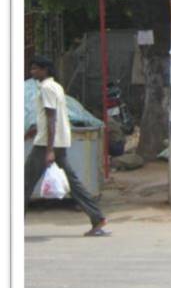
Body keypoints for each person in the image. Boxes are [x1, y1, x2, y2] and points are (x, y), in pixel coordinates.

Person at [24, 56, 110, 237]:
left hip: (46, 144)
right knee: (73, 182)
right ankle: (97, 218)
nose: (32, 72)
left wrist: (48, 150)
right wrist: (34, 130)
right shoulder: (56, 87)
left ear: (45, 70)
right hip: (59, 141)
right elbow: (49, 117)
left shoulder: (46, 88)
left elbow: (51, 118)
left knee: (24, 183)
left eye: (35, 69)